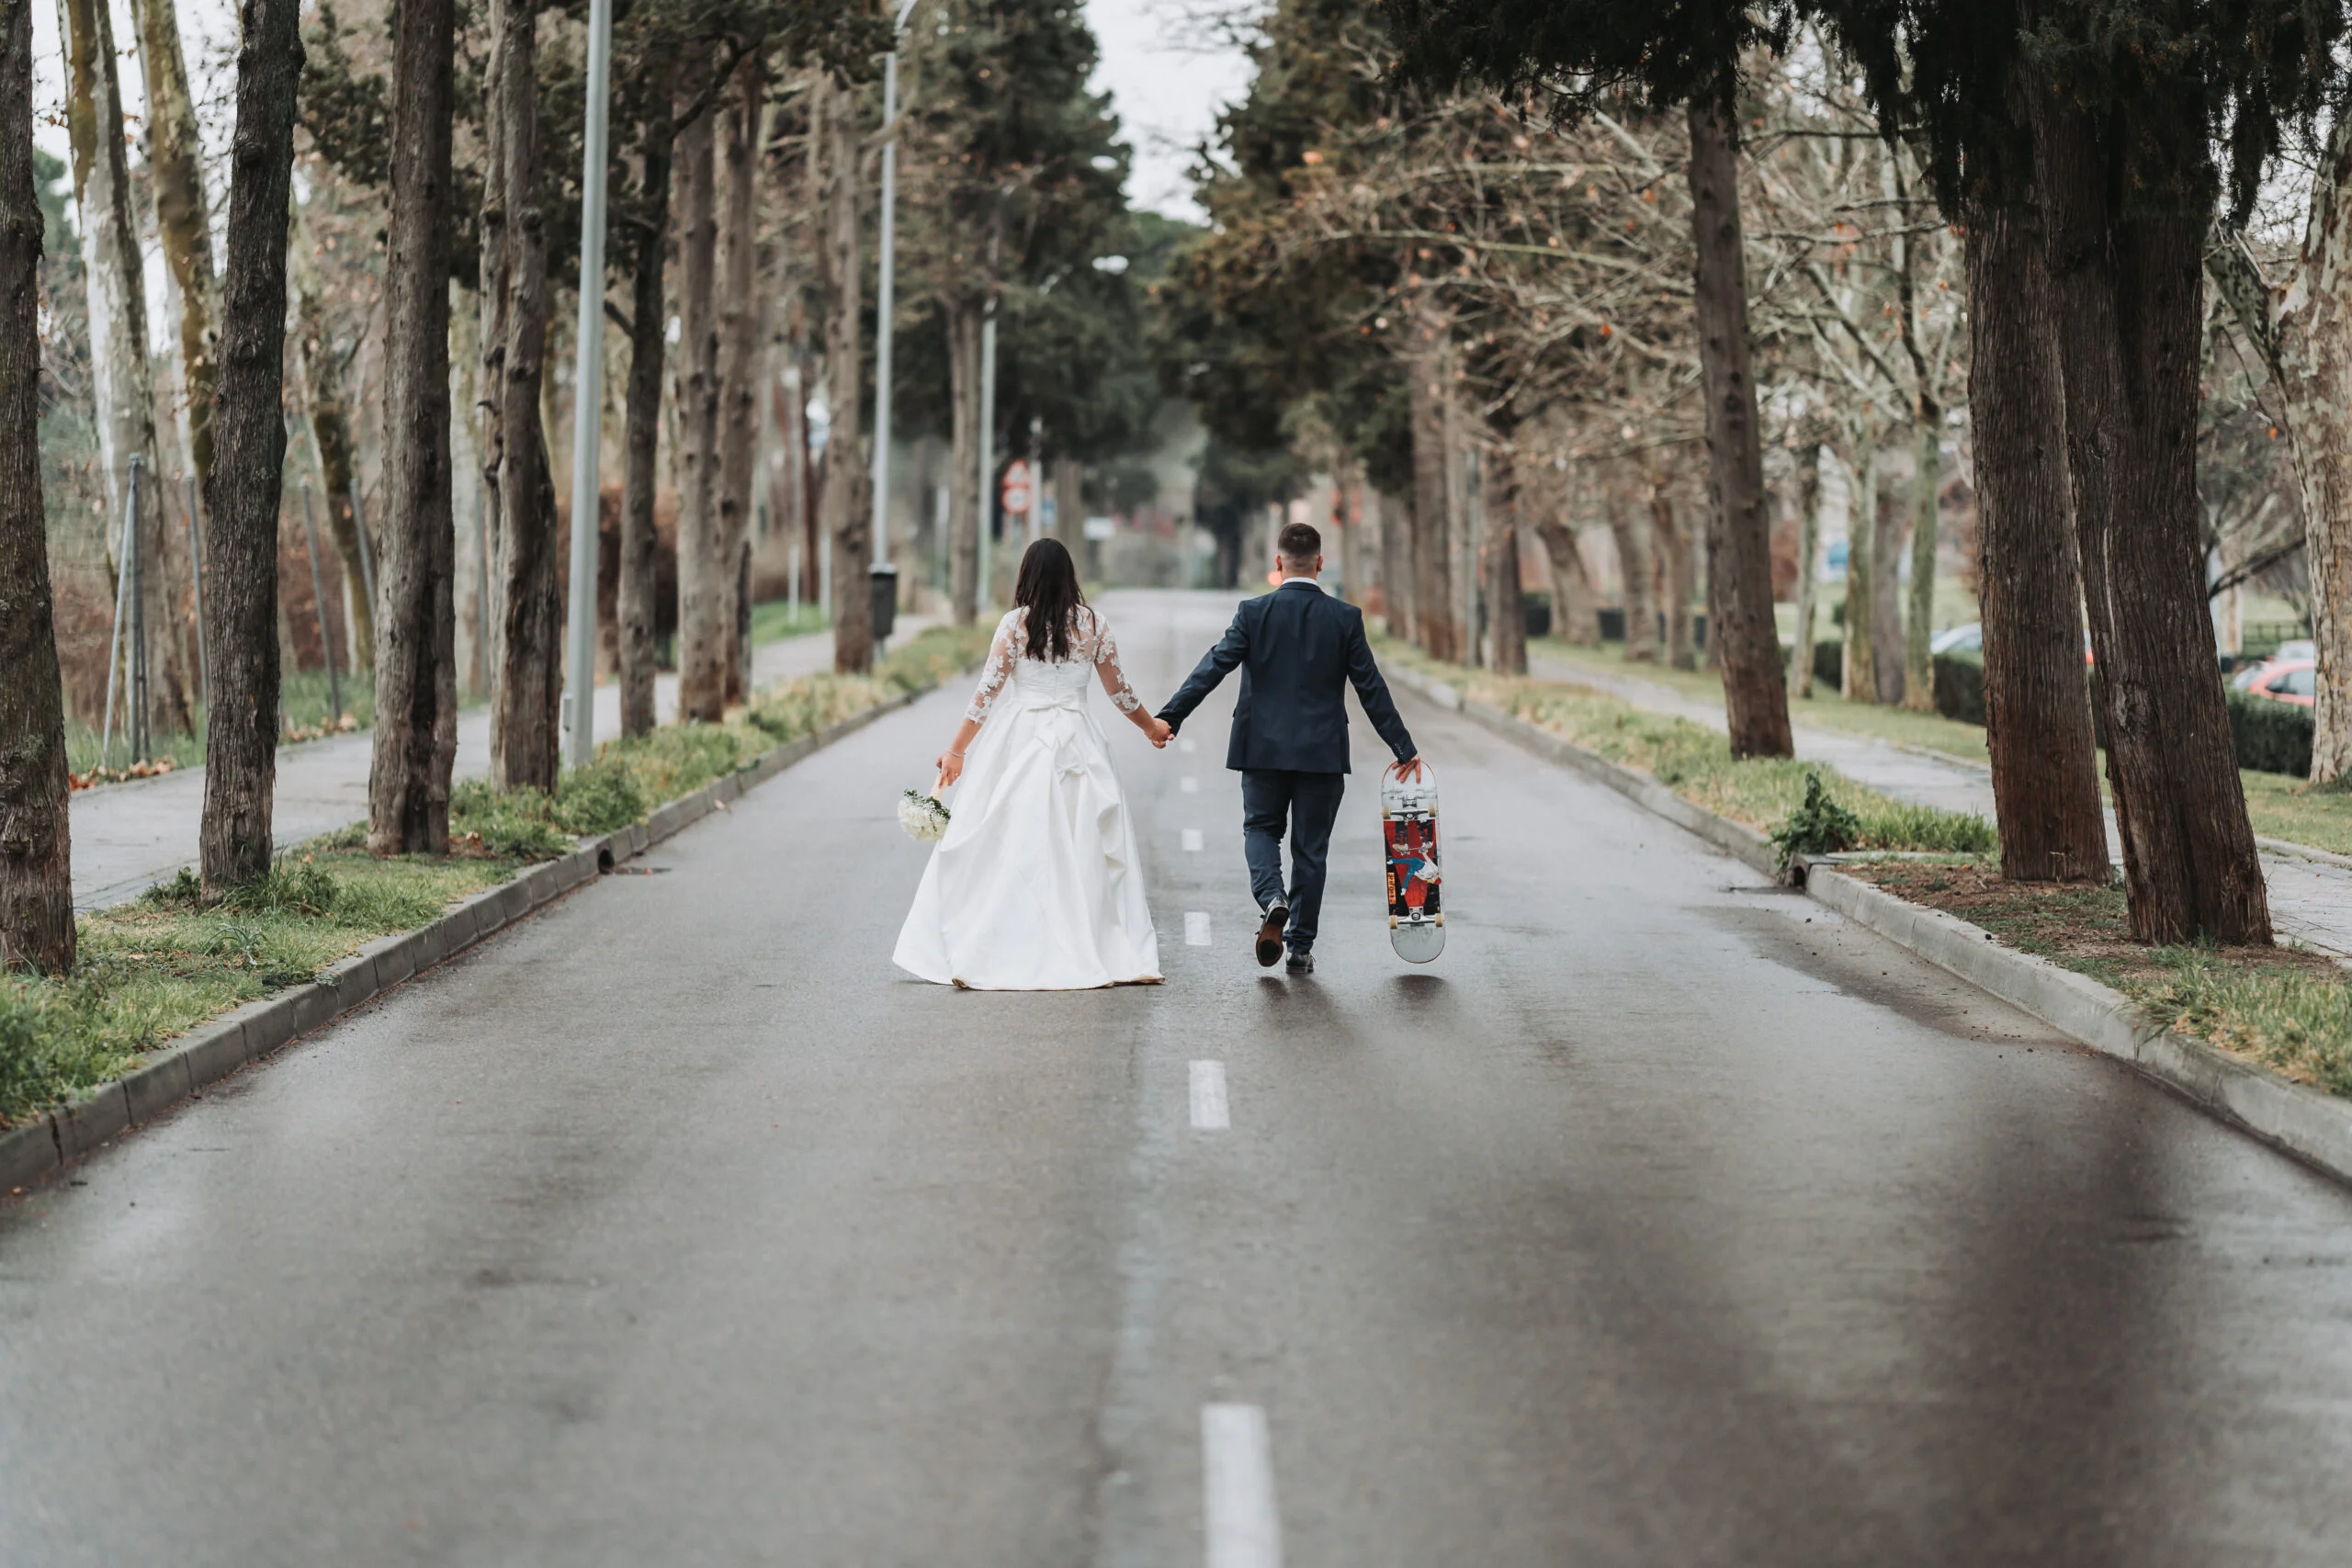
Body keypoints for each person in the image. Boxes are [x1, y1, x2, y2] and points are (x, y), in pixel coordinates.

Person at [894, 538, 1172, 990]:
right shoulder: (1095, 626)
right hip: (1079, 740)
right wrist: (1150, 727)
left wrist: (957, 751)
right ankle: (1089, 941)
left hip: (1021, 738)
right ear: (1070, 576)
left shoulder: (1015, 625)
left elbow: (985, 695)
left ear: (1027, 576)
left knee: (1013, 840)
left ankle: (1004, 941)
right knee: (1083, 842)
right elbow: (1119, 691)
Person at [1157, 521, 1421, 974]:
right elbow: (1370, 688)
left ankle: (1271, 896)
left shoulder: (1253, 612)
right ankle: (1299, 947)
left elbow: (1213, 666)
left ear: (1278, 564)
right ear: (1320, 563)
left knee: (1261, 829)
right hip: (1321, 754)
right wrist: (1403, 747)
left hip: (1262, 749)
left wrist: (1170, 716)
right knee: (1310, 850)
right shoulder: (1345, 619)